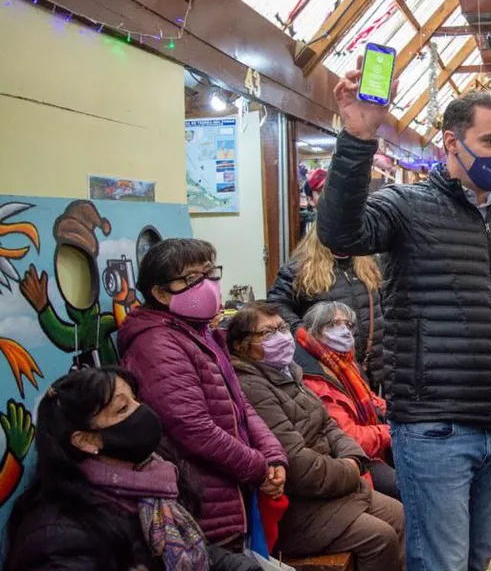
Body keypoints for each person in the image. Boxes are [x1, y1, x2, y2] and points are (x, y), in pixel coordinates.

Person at [319, 62, 491, 571]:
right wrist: (359, 136)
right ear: (452, 143)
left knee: (477, 557)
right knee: (440, 562)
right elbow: (341, 234)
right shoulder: (405, 206)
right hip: (433, 429)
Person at [4, 367, 262, 571]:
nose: (143, 412)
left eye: (135, 399)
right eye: (122, 408)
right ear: (86, 440)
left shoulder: (152, 476)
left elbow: (186, 551)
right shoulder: (58, 538)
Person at [118, 239, 288, 548]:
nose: (208, 285)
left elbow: (239, 405)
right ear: (160, 292)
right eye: (194, 278)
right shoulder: (157, 345)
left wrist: (273, 455)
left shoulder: (201, 333)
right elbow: (193, 428)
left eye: (210, 273)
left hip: (232, 493)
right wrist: (257, 468)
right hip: (204, 502)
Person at [227, 302, 405, 570]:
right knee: (380, 538)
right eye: (267, 333)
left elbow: (331, 428)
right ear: (241, 345)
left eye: (282, 328)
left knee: (402, 516)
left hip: (336, 487)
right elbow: (297, 463)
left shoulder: (291, 374)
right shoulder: (252, 386)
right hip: (301, 507)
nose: (281, 337)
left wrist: (352, 459)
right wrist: (349, 470)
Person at [294, 301, 399, 500]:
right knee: (412, 488)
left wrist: (395, 411)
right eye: (333, 324)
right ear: (314, 330)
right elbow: (350, 437)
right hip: (351, 460)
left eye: (348, 325)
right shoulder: (313, 377)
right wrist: (390, 431)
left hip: (373, 448)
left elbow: (370, 399)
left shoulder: (343, 360)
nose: (344, 331)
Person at [267, 229, 384, 391]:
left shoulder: (369, 264)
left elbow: (383, 306)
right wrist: (303, 334)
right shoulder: (300, 268)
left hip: (371, 365)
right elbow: (277, 304)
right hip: (328, 367)